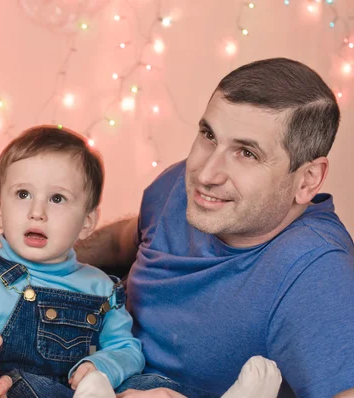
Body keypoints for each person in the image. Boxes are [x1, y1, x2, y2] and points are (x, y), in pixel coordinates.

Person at [75, 58, 354, 398]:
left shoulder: (315, 272)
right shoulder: (183, 186)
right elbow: (123, 241)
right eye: (209, 135)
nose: (206, 174)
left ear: (307, 180)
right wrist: (22, 266)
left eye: (247, 153)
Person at [0, 125, 145, 398]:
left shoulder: (101, 287)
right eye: (23, 194)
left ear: (87, 222)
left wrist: (101, 365)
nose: (37, 212)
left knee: (152, 385)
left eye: (57, 198)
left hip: (82, 392)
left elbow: (127, 349)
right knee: (21, 385)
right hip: (8, 391)